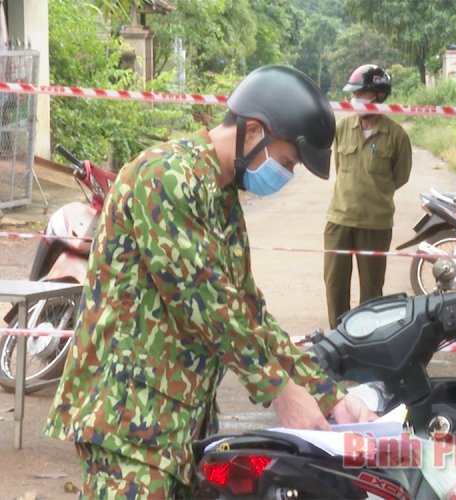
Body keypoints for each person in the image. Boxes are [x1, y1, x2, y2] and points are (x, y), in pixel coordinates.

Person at [43, 65, 375, 497]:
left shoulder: (219, 197)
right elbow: (207, 305)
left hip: (180, 421)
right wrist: (282, 392)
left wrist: (329, 396)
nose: (285, 175)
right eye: (288, 161)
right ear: (253, 131)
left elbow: (246, 311)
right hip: (127, 423)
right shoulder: (164, 178)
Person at [324, 64, 412, 327]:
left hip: (375, 225)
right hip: (338, 221)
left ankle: (367, 342)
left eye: (361, 93)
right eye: (354, 95)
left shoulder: (396, 136)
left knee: (371, 293)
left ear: (379, 96)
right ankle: (339, 340)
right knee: (335, 286)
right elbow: (340, 170)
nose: (355, 100)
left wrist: (375, 194)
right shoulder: (342, 129)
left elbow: (401, 176)